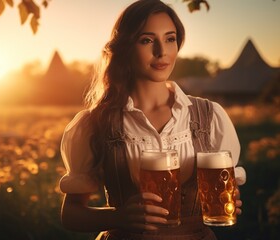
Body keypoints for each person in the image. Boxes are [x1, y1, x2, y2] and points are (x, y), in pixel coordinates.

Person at [59, 0, 246, 239]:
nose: (162, 51)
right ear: (126, 47)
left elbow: (226, 195)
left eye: (170, 38)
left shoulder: (210, 116)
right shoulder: (95, 123)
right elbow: (70, 215)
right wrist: (117, 217)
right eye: (147, 40)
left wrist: (229, 200)